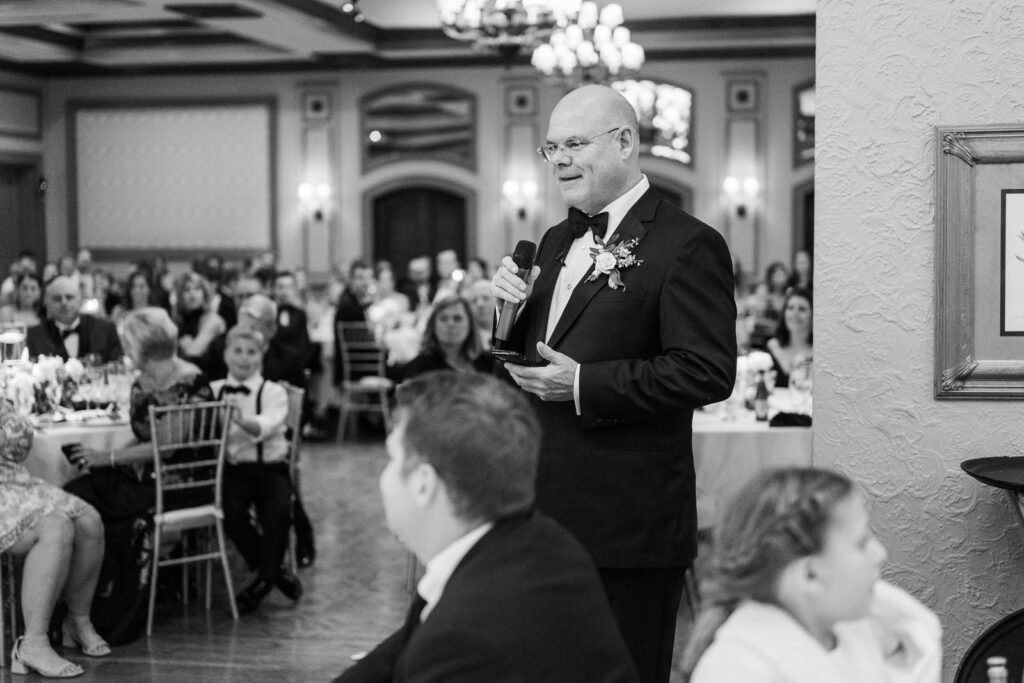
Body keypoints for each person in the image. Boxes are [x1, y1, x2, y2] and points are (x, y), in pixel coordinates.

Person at [490, 84, 736, 683]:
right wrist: (505, 314)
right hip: (545, 510)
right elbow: (533, 358)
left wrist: (585, 385)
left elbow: (707, 370)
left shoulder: (688, 243)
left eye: (575, 143)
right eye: (552, 148)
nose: (561, 160)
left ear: (625, 142)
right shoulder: (553, 240)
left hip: (630, 523)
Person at [333, 371, 638, 683]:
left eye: (391, 458)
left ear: (424, 484)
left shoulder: (462, 640)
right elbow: (398, 651)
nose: (383, 477)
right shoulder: (545, 542)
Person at [681, 467, 941, 683]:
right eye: (861, 543)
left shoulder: (855, 633)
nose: (880, 553)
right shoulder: (739, 670)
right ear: (810, 575)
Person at [0, 402, 110, 677]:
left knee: (88, 520)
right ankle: (32, 644)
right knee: (55, 526)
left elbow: (16, 446)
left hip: (10, 480)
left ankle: (77, 620)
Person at [210, 326, 302, 613]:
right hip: (234, 470)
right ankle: (274, 571)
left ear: (261, 356)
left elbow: (265, 426)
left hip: (271, 468)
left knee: (277, 512)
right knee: (231, 515)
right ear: (225, 354)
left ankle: (264, 580)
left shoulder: (274, 392)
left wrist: (238, 419)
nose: (244, 358)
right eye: (237, 351)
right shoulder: (212, 391)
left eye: (251, 352)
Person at [26, 275, 123, 362]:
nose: (64, 303)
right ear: (47, 302)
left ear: (80, 299)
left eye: (69, 297)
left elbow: (119, 367)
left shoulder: (106, 329)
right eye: (57, 298)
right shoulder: (34, 335)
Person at [401, 295, 491, 379]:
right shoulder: (418, 368)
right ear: (433, 326)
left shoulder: (487, 361)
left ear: (470, 325)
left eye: (457, 318)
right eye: (443, 318)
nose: (450, 324)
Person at [173, 271, 226, 375]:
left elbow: (193, 352)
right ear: (180, 295)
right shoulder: (178, 324)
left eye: (197, 289)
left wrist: (184, 348)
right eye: (187, 290)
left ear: (204, 293)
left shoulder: (213, 320)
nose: (192, 294)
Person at [766, 287, 813, 389]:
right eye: (790, 308)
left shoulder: (818, 354)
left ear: (813, 316)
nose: (795, 313)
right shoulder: (772, 346)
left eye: (802, 309)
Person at [464, 279, 495, 350]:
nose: (480, 304)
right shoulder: (465, 340)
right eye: (474, 300)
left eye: (485, 298)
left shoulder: (512, 333)